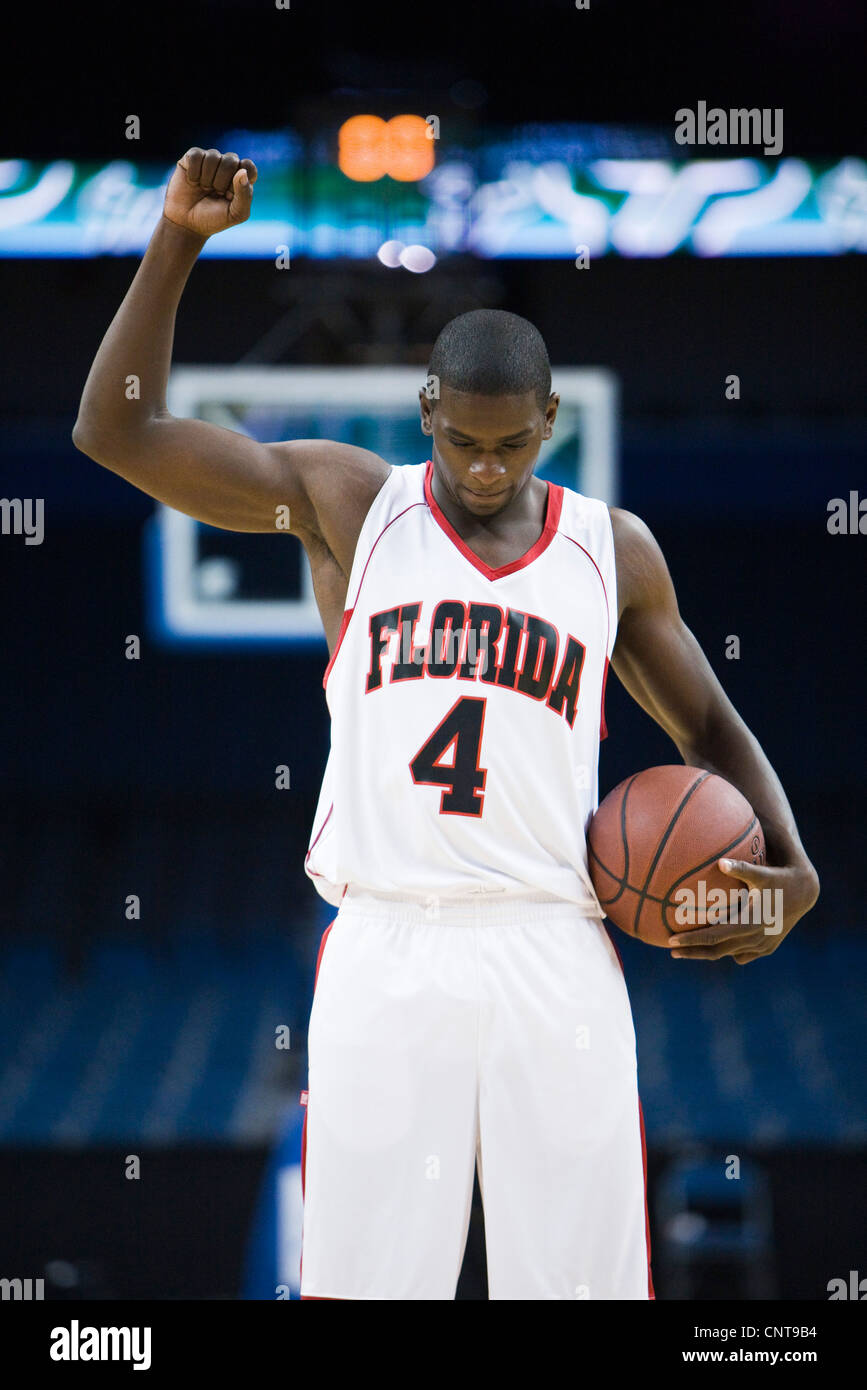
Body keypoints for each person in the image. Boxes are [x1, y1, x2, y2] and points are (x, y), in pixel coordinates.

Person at [73, 147, 820, 1300]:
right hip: (385, 939)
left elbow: (709, 726)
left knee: (580, 1287)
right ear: (427, 410)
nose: (482, 465)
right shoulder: (347, 503)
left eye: (510, 442)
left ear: (550, 420)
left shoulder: (609, 551)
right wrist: (176, 240)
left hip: (553, 941)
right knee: (368, 1286)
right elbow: (117, 435)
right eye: (460, 439)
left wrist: (794, 868)